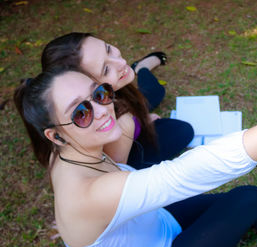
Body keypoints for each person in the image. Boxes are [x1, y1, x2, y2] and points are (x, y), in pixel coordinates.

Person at [14, 41, 257, 247]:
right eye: (80, 112)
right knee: (245, 200)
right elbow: (183, 174)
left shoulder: (65, 147)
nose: (103, 110)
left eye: (101, 93)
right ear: (55, 135)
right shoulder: (86, 195)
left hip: (155, 222)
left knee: (238, 199)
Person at [41, 32, 194, 169]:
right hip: (127, 147)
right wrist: (136, 123)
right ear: (84, 84)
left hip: (126, 114)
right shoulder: (118, 122)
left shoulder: (116, 94)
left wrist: (141, 119)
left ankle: (142, 67)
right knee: (181, 131)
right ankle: (141, 69)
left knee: (155, 91)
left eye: (108, 49)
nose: (120, 62)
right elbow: (119, 170)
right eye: (105, 69)